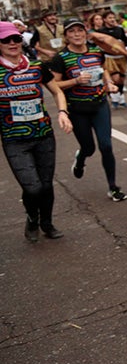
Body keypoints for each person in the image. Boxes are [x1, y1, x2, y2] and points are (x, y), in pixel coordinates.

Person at [0, 20, 74, 241]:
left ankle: (47, 223)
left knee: (46, 184)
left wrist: (62, 112)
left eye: (16, 39)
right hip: (14, 139)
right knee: (32, 187)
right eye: (6, 40)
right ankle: (32, 218)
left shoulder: (36, 66)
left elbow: (57, 91)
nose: (13, 43)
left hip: (43, 135)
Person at [48, 17, 127, 202]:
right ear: (66, 36)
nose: (76, 34)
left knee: (106, 146)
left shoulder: (95, 51)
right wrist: (75, 81)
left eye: (80, 30)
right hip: (77, 109)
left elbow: (102, 69)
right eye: (71, 31)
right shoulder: (61, 58)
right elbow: (54, 85)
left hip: (99, 104)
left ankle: (113, 187)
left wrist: (109, 83)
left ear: (86, 32)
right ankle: (81, 157)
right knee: (89, 147)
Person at [101, 11, 127, 109]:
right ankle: (114, 97)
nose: (112, 19)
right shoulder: (101, 31)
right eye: (109, 17)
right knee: (115, 78)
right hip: (109, 57)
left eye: (113, 17)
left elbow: (125, 41)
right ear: (105, 19)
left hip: (120, 57)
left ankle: (121, 97)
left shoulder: (119, 29)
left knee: (121, 79)